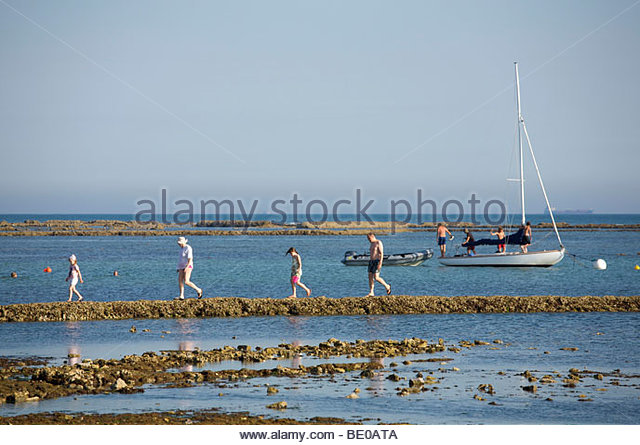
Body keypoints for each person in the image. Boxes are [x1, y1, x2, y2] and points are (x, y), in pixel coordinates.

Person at [365, 233, 391, 297]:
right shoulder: (371, 244)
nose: (368, 240)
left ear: (372, 236)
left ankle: (387, 286)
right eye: (368, 239)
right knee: (370, 277)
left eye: (369, 238)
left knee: (376, 277)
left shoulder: (378, 242)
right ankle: (371, 292)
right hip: (371, 261)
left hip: (377, 261)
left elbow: (381, 253)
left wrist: (380, 263)